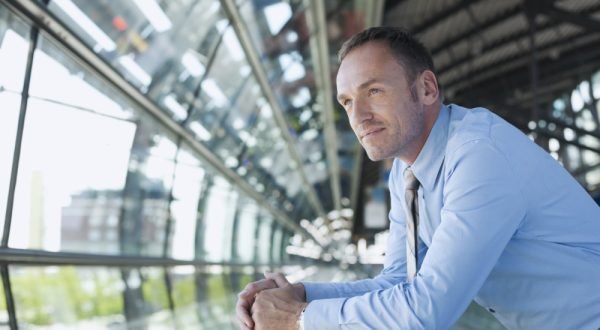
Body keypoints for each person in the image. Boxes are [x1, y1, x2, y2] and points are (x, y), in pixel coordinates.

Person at [236, 26, 600, 330]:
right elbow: (396, 282)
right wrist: (300, 295)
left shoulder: (478, 155)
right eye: (346, 102)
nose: (358, 117)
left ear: (426, 88)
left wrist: (298, 319)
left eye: (374, 91)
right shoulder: (405, 173)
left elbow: (427, 309)